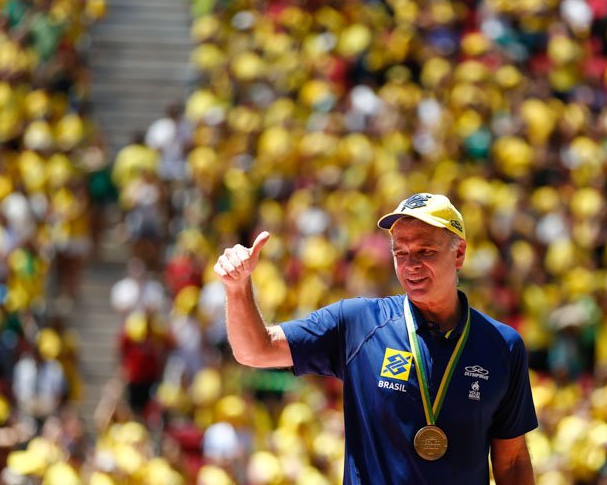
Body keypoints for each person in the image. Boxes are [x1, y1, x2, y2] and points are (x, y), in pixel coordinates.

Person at [214, 193, 538, 483]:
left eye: (425, 251)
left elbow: (511, 462)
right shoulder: (358, 322)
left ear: (459, 254)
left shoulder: (502, 345)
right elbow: (256, 350)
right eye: (401, 253)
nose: (411, 265)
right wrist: (237, 287)